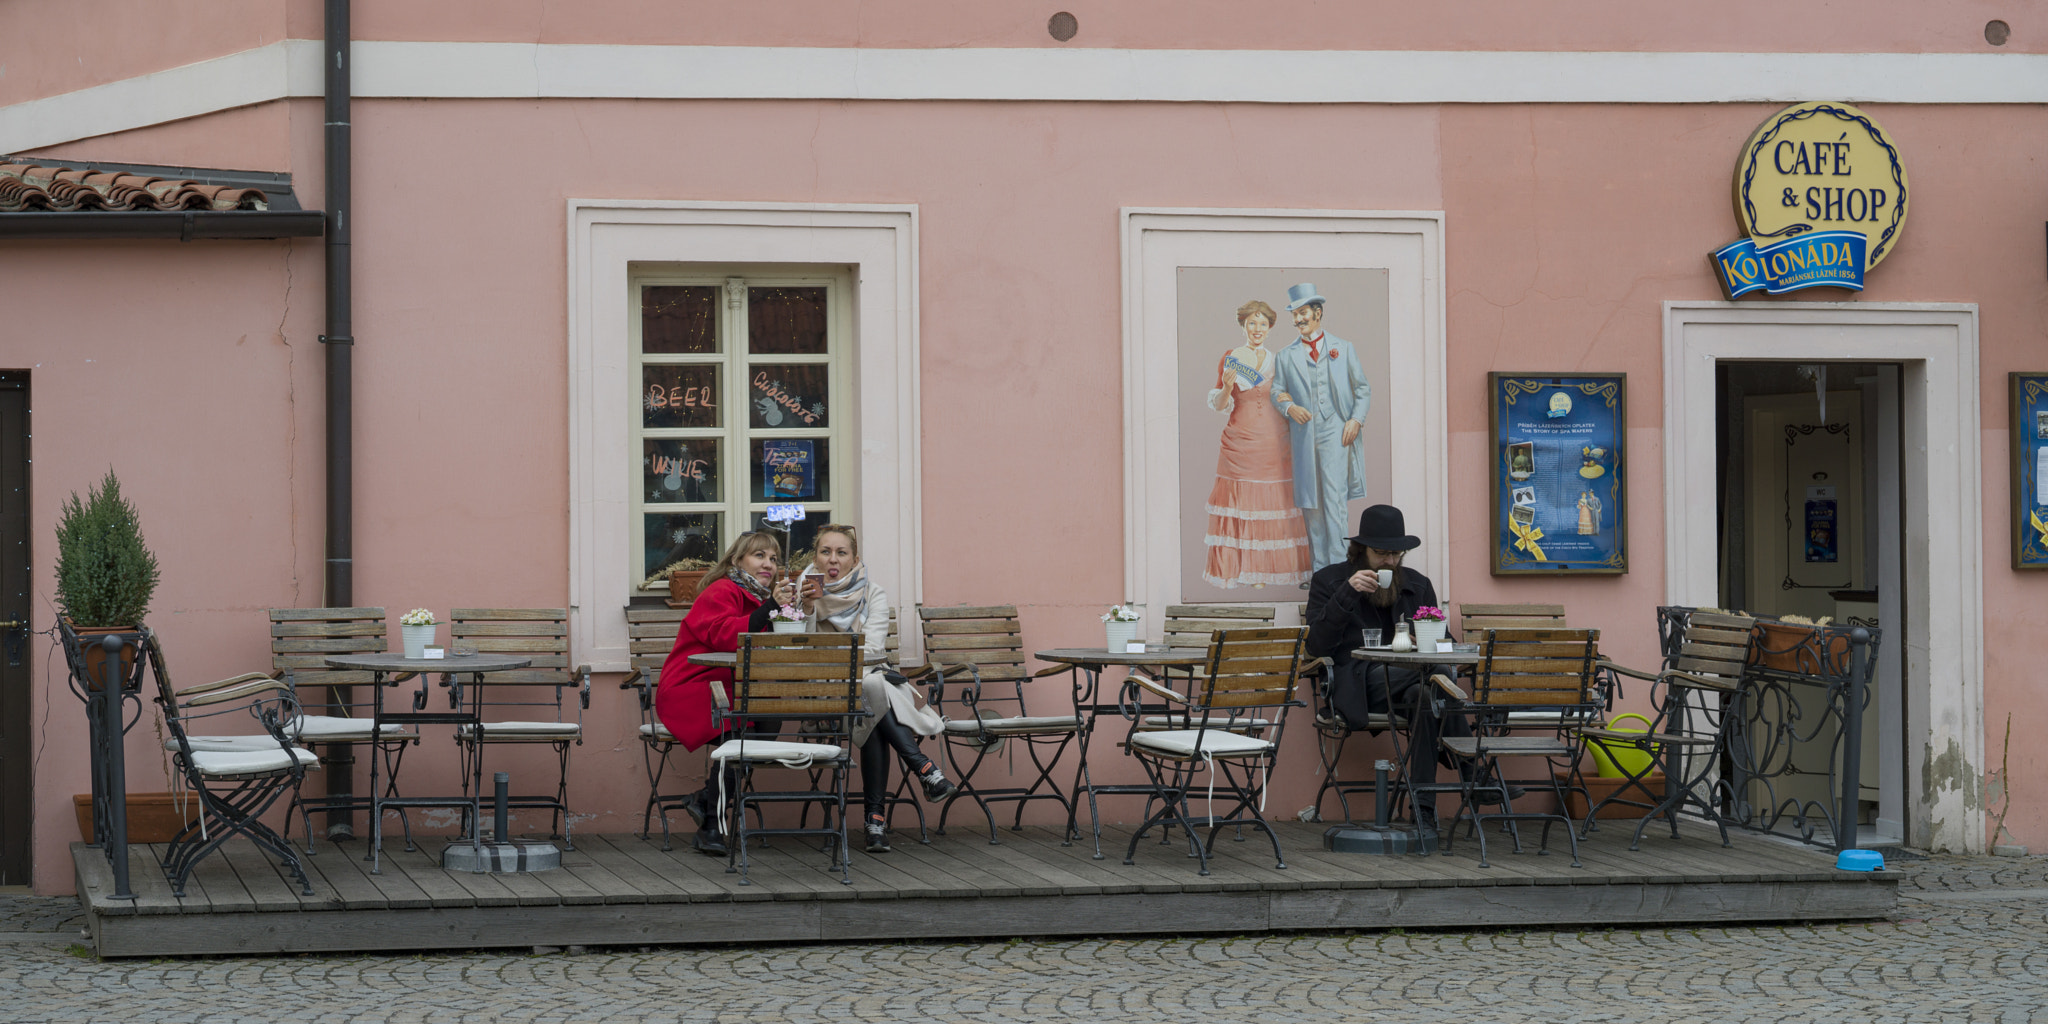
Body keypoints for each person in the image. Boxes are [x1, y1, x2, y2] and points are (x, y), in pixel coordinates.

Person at [1305, 504, 1482, 832]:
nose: (1389, 561)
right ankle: (1473, 772)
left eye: (1396, 554)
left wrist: (1426, 639)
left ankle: (1423, 809)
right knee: (1437, 680)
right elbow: (1315, 647)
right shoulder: (1329, 581)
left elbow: (1447, 644)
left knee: (1427, 695)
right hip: (1358, 685)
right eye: (1381, 553)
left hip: (1412, 686)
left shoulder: (1416, 584)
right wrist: (1348, 592)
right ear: (1360, 550)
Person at [798, 524, 955, 853]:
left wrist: (834, 654)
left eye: (841, 552)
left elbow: (873, 650)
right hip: (824, 692)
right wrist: (809, 609)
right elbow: (801, 648)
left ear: (855, 559)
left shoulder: (874, 593)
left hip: (866, 688)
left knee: (870, 692)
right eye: (825, 552)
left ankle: (876, 823)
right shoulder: (804, 590)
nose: (833, 560)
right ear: (815, 556)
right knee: (872, 687)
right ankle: (922, 770)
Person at [654, 530, 799, 856]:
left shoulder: (762, 598)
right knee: (738, 732)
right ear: (737, 560)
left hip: (733, 689)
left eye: (773, 559)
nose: (769, 564)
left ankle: (706, 799)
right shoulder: (723, 590)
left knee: (769, 721)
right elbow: (725, 636)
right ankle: (712, 827)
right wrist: (772, 606)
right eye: (759, 556)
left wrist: (793, 608)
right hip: (692, 687)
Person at [1202, 299, 1313, 589]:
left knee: (1273, 503)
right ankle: (1243, 572)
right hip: (1240, 441)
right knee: (1241, 504)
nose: (1257, 329)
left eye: (1262, 323)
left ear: (1270, 327)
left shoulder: (1279, 360)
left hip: (1274, 443)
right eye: (1252, 323)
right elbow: (1220, 404)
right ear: (1243, 325)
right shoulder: (1232, 358)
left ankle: (1266, 572)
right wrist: (1227, 386)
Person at [1269, 282, 1373, 577]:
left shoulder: (1344, 348)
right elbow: (1277, 391)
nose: (1299, 319)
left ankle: (1340, 569)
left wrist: (1355, 419)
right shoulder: (1286, 356)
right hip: (1304, 437)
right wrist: (1290, 407)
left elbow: (1363, 389)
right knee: (1311, 504)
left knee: (1334, 499)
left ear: (1318, 313)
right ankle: (1320, 574)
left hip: (1336, 431)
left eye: (1303, 313)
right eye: (1295, 314)